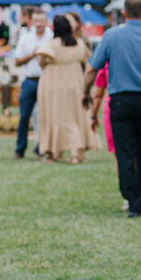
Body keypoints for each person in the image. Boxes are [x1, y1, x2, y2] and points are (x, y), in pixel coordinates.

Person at [85, 0, 141, 217]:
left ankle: (132, 200)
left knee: (125, 153)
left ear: (123, 13)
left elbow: (91, 69)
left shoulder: (111, 36)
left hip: (121, 102)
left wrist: (84, 92)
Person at [36, 15, 97, 164]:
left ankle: (53, 152)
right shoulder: (79, 44)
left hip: (52, 83)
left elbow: (41, 62)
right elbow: (88, 60)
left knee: (53, 115)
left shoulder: (50, 45)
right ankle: (75, 153)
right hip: (75, 82)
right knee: (74, 115)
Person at [14, 9, 53, 159]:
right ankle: (20, 149)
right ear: (32, 21)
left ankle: (41, 148)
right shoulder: (25, 38)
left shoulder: (51, 37)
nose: (39, 24)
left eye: (42, 21)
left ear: (46, 21)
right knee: (24, 116)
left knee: (43, 116)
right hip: (29, 80)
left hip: (46, 81)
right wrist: (32, 54)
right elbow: (17, 61)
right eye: (36, 21)